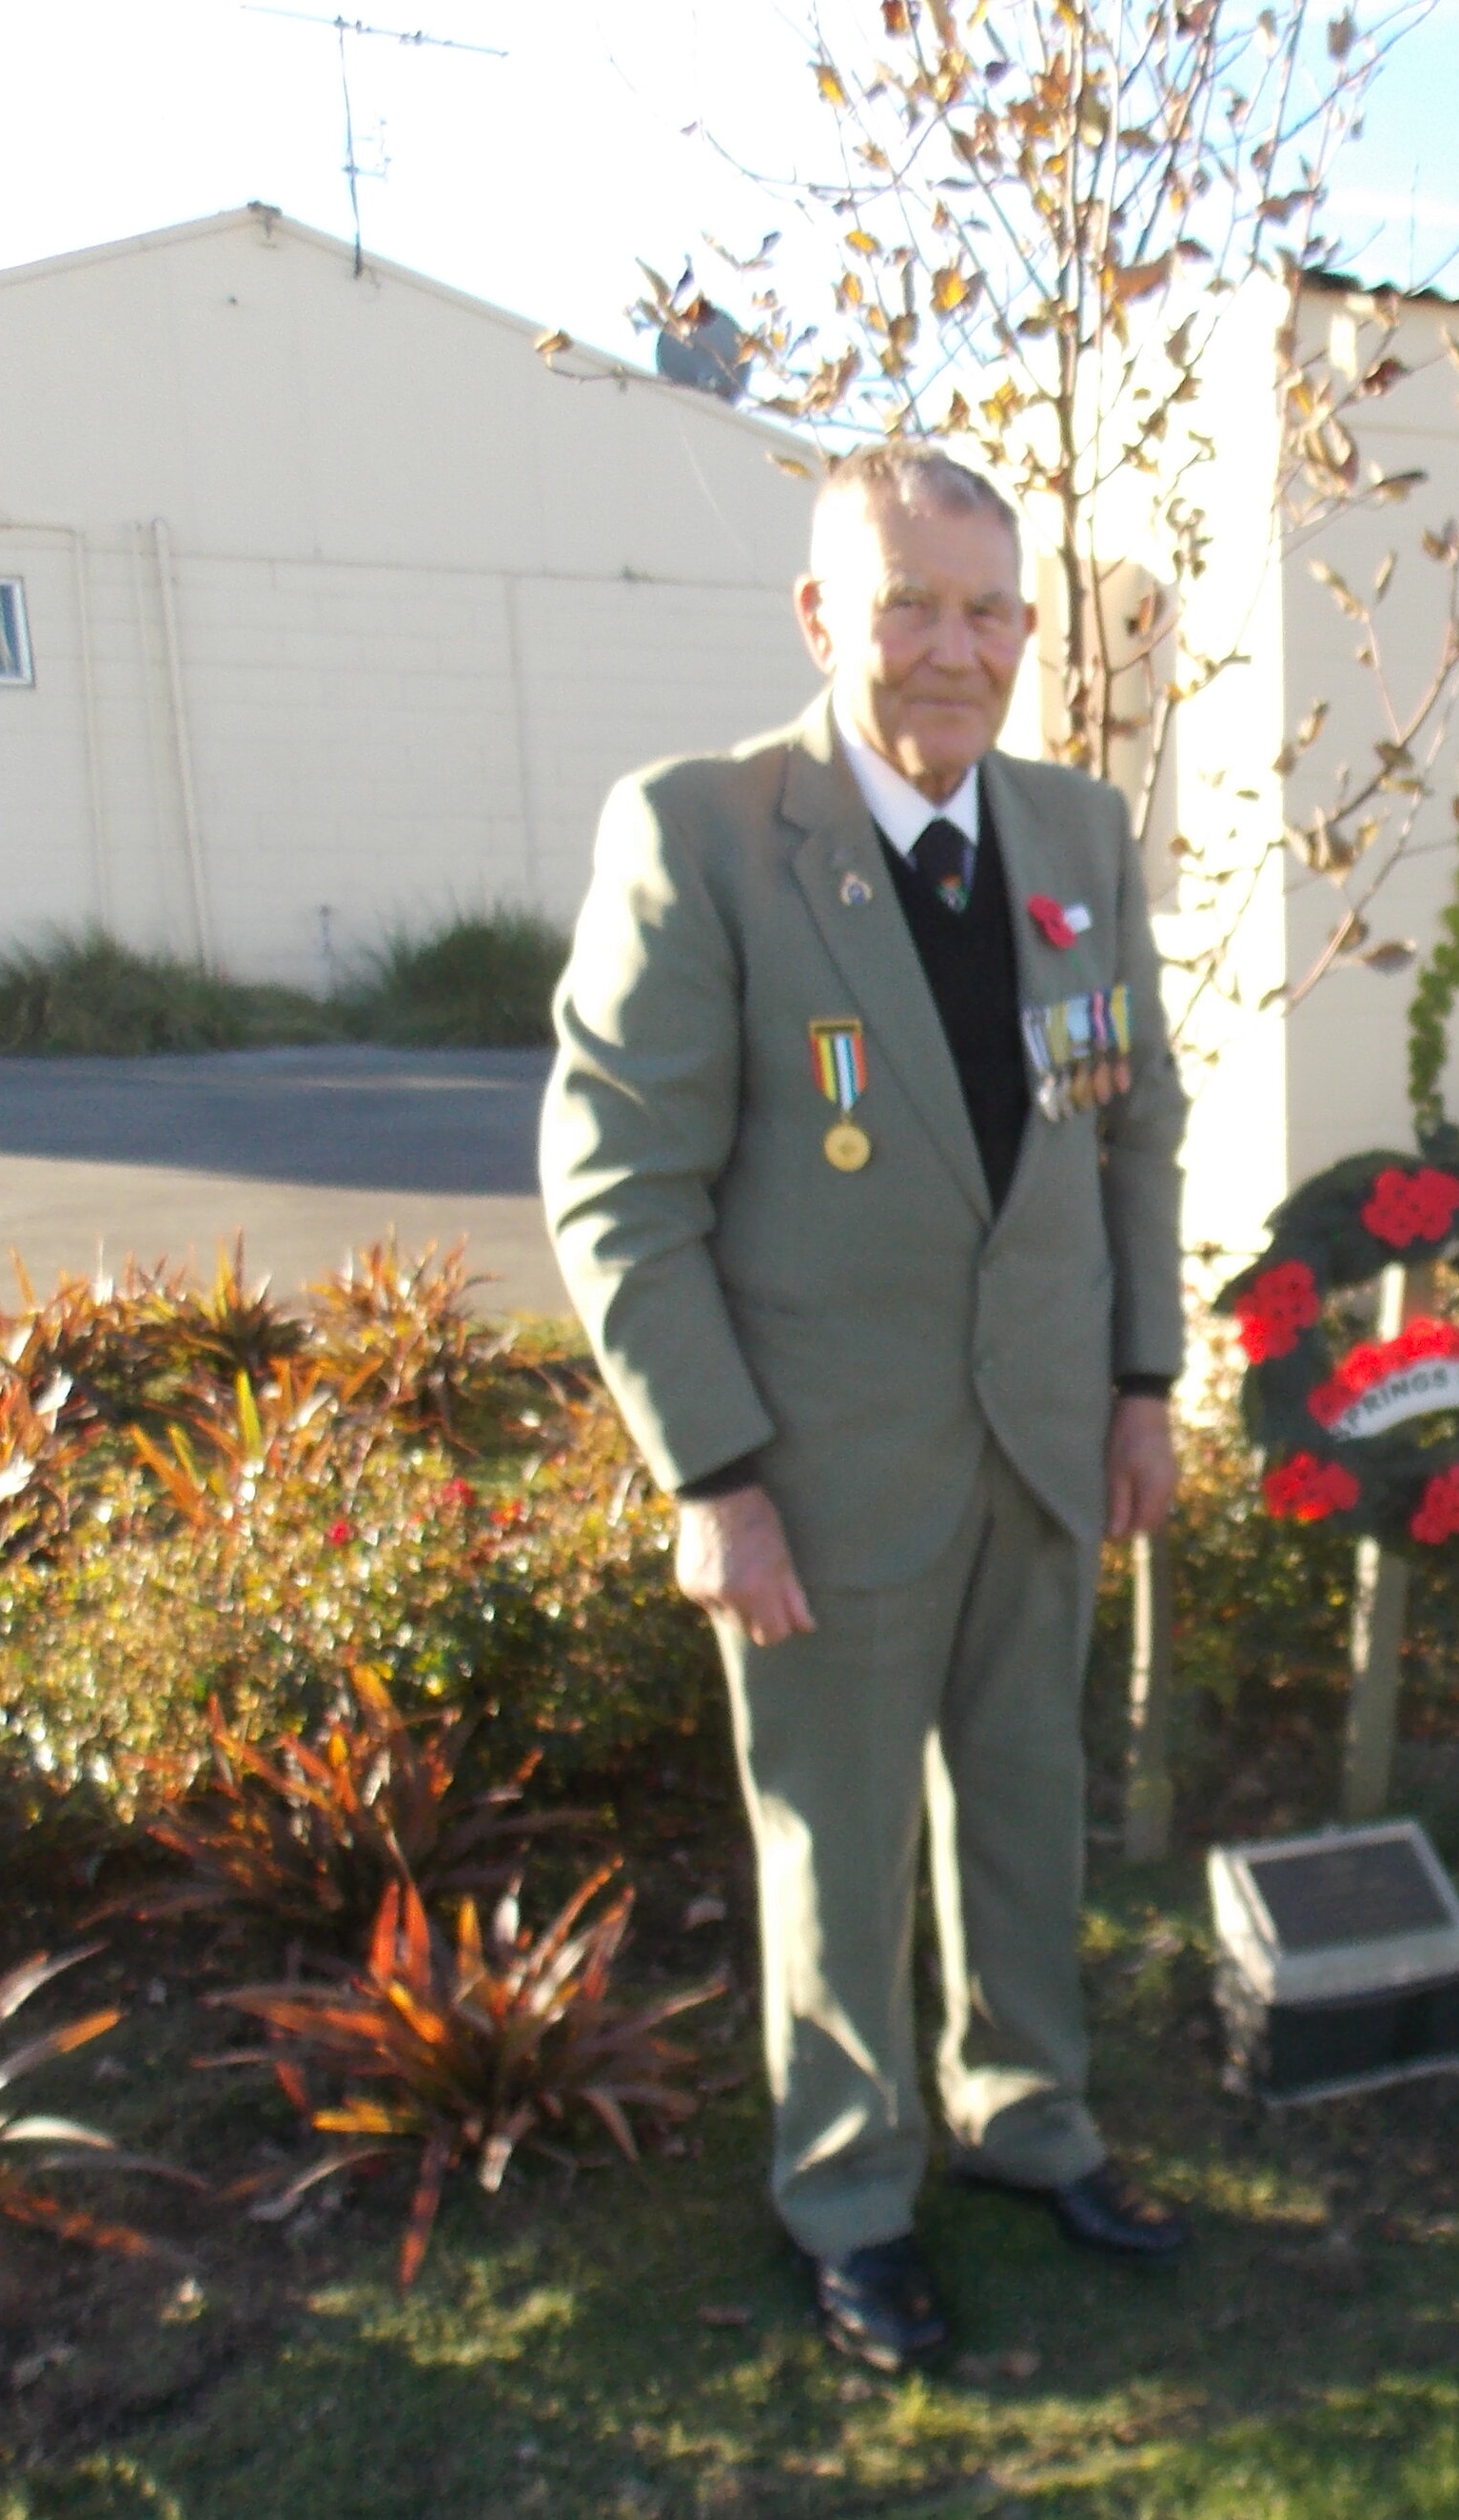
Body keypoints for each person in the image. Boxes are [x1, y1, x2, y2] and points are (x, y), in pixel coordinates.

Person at [542, 440, 1191, 2376]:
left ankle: (1029, 2121)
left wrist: (1144, 1379)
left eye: (990, 611)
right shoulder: (705, 833)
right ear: (824, 613)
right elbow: (618, 1191)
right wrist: (714, 1475)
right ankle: (850, 2193)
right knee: (835, 1844)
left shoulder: (1074, 837)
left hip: (1047, 1440)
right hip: (821, 1473)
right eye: (910, 604)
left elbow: (1128, 1139)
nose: (953, 649)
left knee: (1026, 1805)